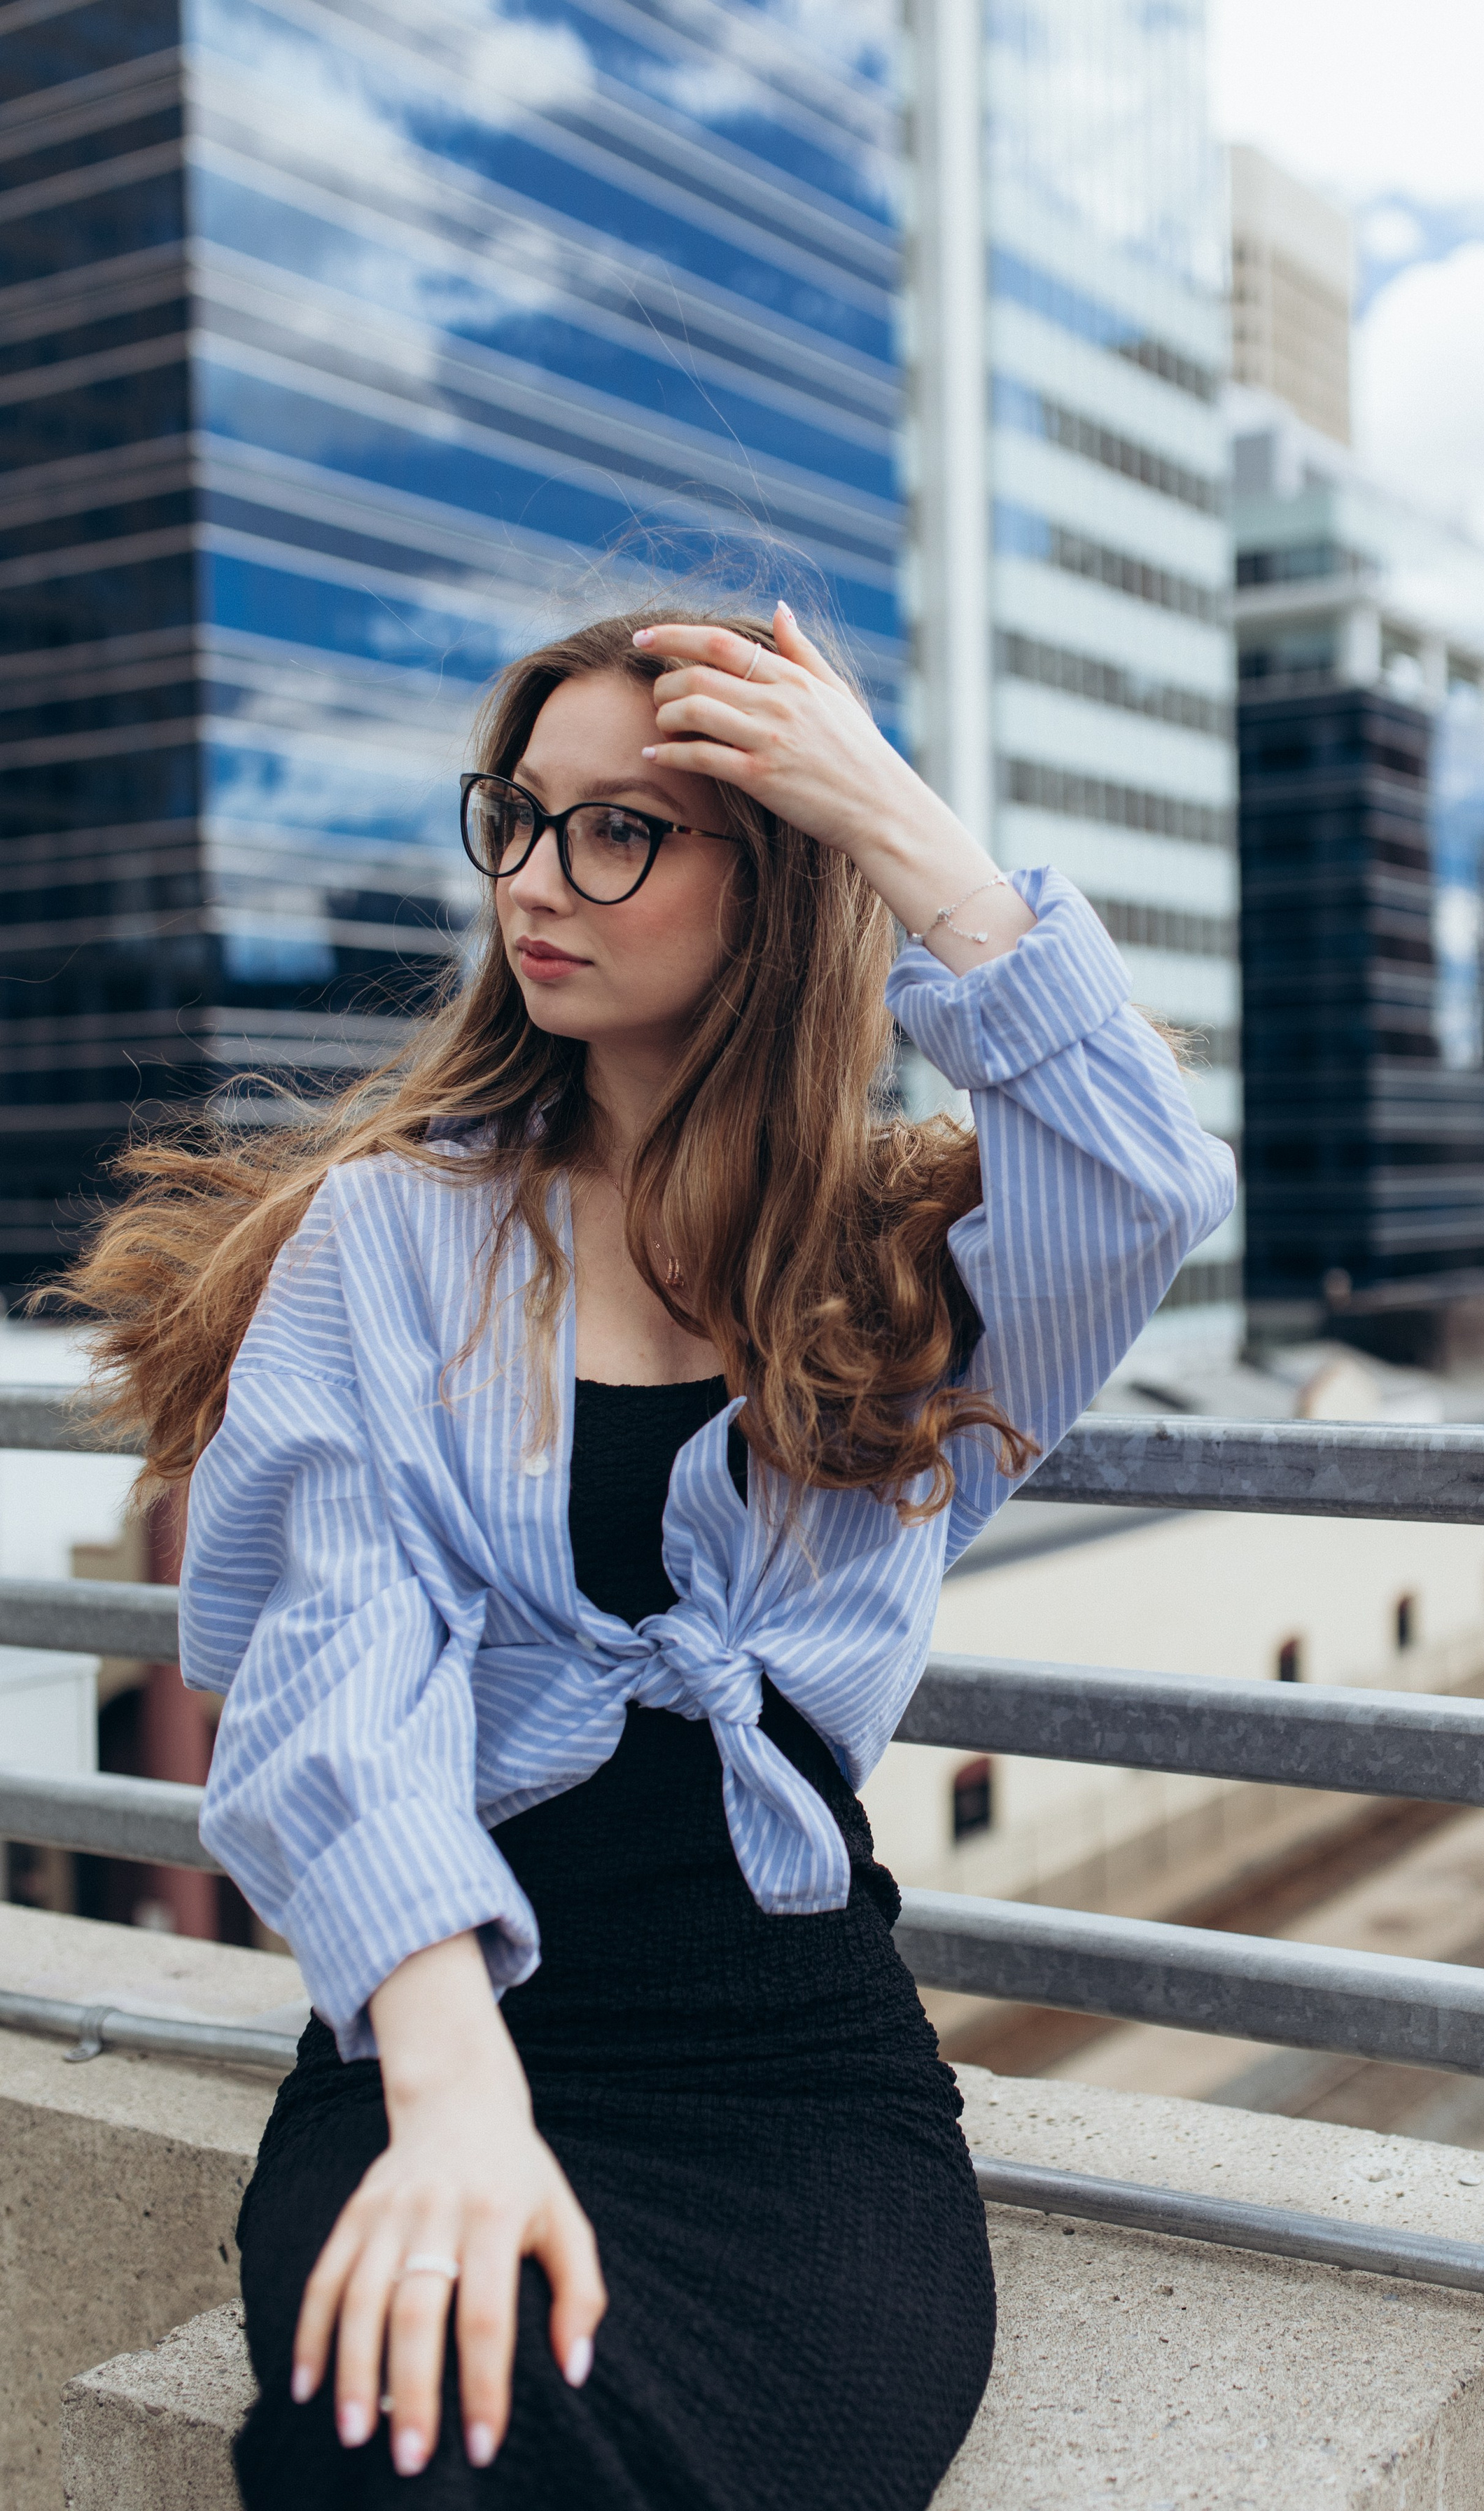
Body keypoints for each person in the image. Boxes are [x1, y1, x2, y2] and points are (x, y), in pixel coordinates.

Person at [64, 599, 1235, 2505]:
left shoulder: (894, 1266)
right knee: (430, 2433)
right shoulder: (387, 1241)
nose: (540, 877)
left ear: (770, 885)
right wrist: (450, 2095)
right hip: (438, 2027)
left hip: (793, 2087)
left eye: (620, 829)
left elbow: (1146, 1178)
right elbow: (329, 1679)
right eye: (519, 816)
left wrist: (891, 819)